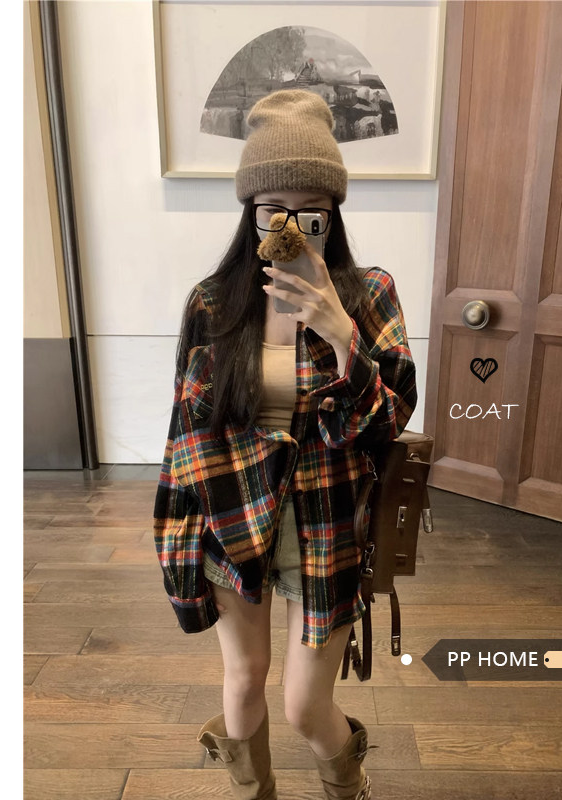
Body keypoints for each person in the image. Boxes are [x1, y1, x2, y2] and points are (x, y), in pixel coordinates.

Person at [153, 89, 417, 800]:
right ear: (251, 214)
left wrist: (340, 333)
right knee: (243, 682)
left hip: (327, 527)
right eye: (274, 211)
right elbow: (186, 439)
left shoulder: (370, 294)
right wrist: (177, 543)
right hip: (232, 521)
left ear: (333, 214)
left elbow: (389, 421)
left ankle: (349, 784)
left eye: (312, 214)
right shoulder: (214, 302)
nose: (292, 230)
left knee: (304, 705)